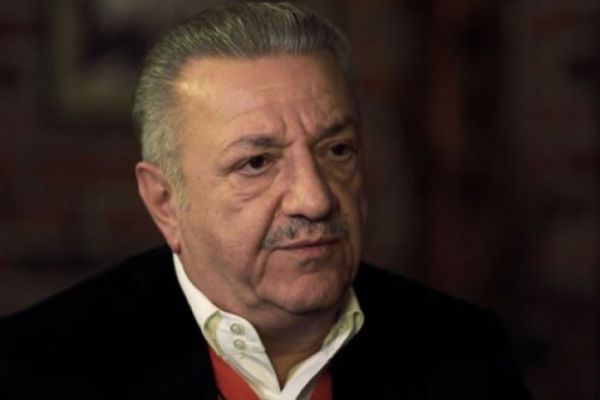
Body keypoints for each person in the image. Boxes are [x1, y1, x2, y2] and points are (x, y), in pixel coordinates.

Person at [0, 2, 530, 399]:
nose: (314, 199)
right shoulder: (36, 371)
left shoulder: (466, 352)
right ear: (164, 202)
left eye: (337, 150)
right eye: (256, 162)